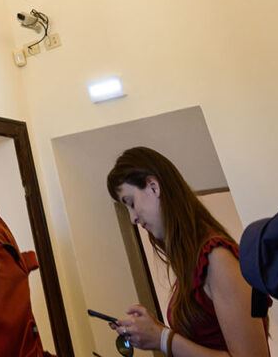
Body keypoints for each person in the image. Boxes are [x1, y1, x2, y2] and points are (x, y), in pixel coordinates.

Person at [103, 148, 269, 357]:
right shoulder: (192, 264)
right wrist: (154, 330)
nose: (132, 218)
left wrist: (162, 338)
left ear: (154, 187)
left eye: (131, 203)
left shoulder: (218, 258)